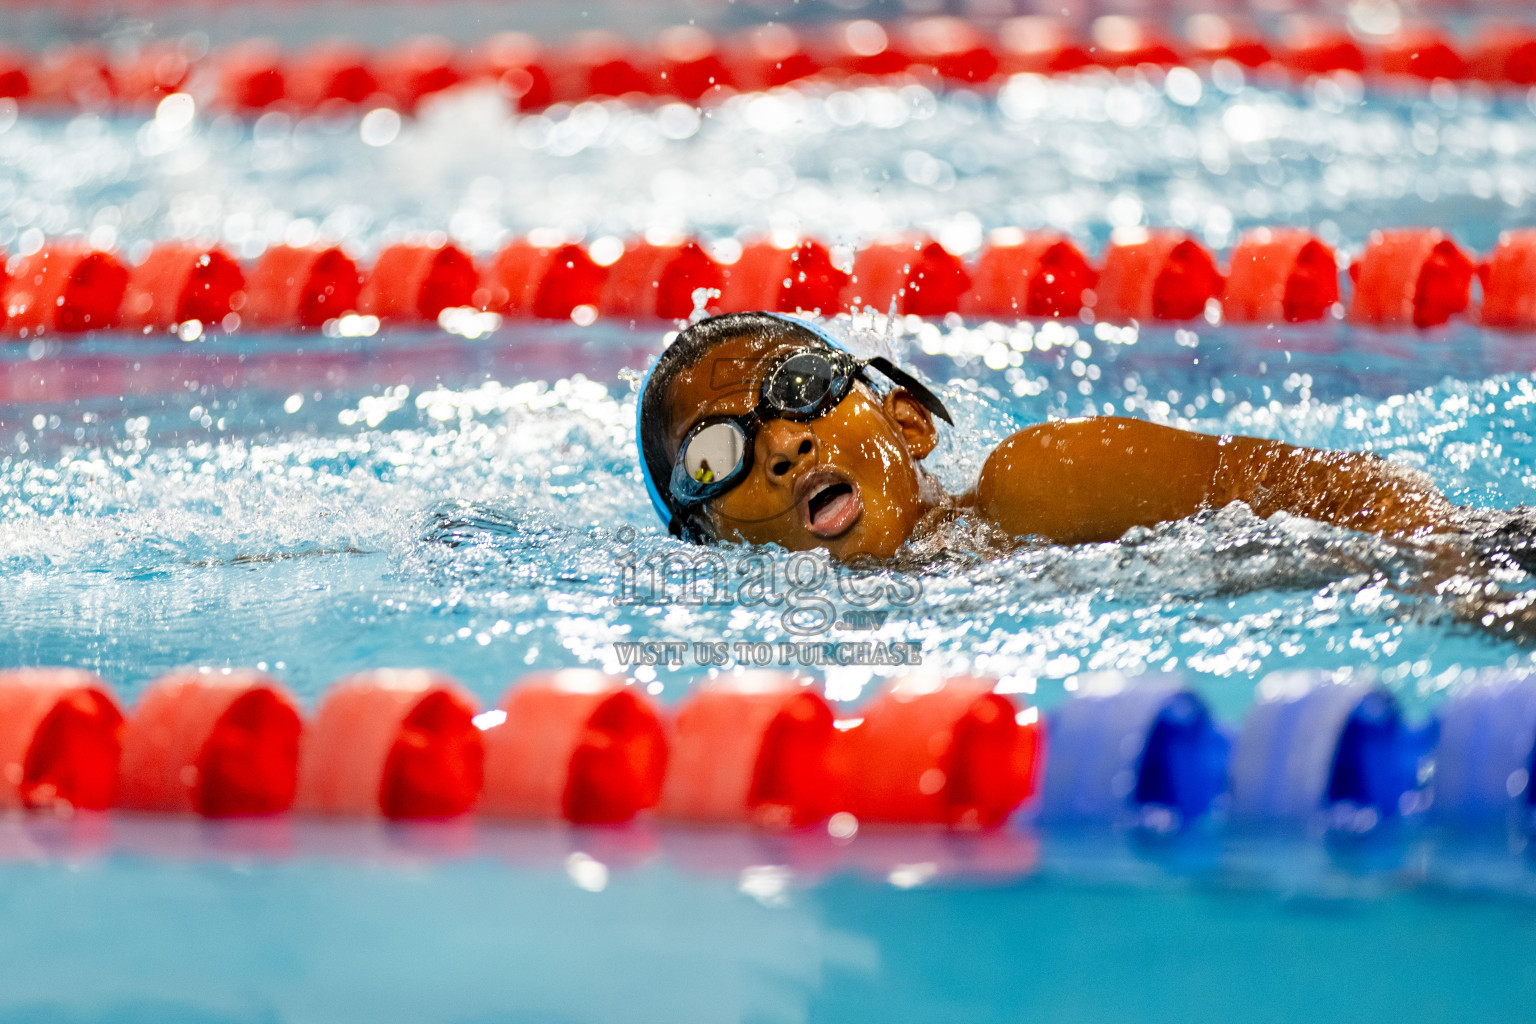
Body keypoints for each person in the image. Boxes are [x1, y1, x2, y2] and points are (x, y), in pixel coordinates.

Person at [634, 311, 1536, 638]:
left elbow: (1343, 491)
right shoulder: (771, 641)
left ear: (907, 424)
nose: (782, 446)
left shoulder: (1041, 481)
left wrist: (1449, 561)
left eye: (799, 392)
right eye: (717, 456)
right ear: (706, 538)